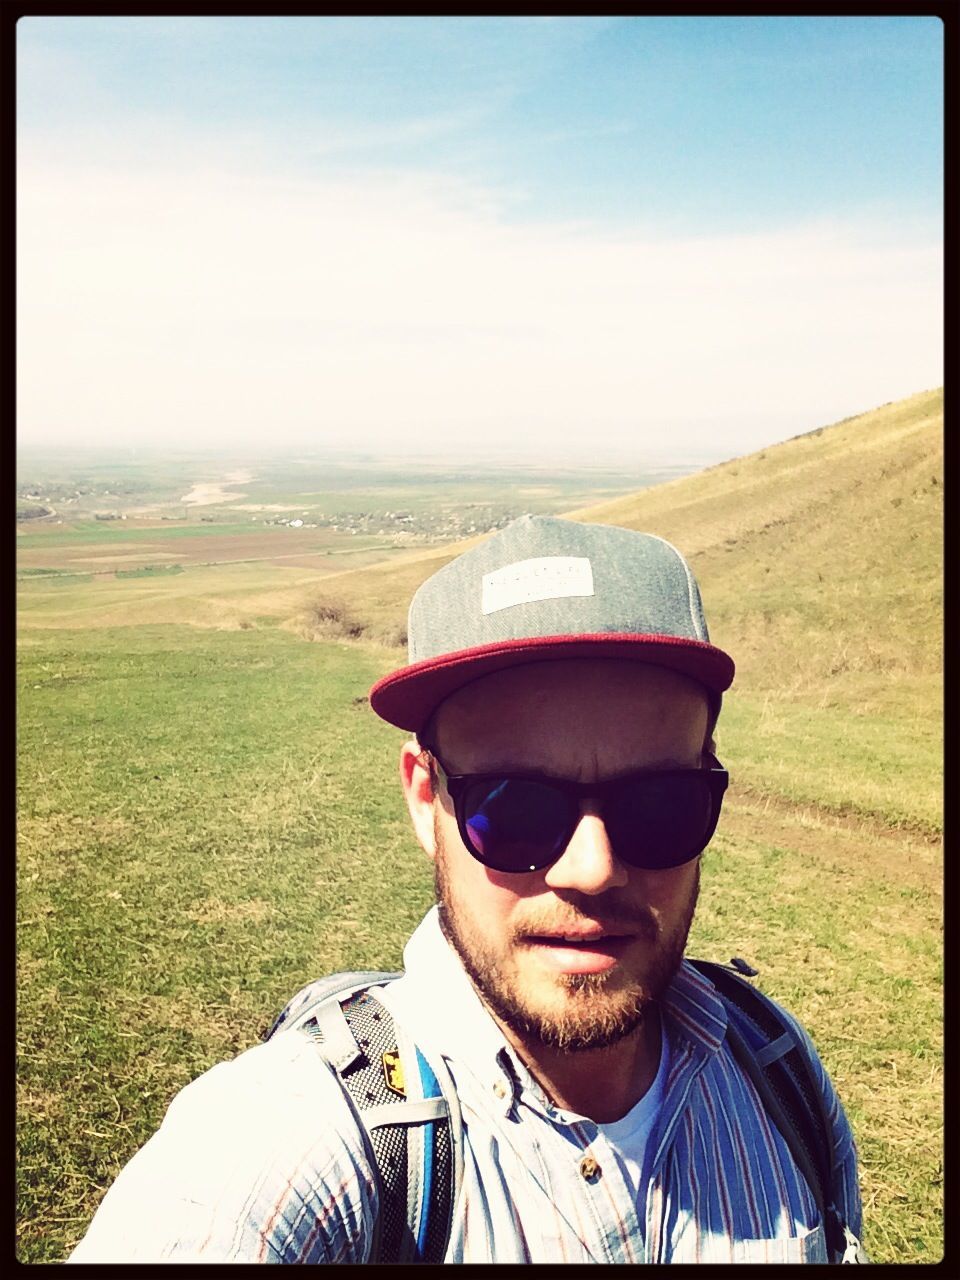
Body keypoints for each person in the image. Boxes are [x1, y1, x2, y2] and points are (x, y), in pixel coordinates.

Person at [68, 514, 865, 1264]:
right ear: (427, 799)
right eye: (514, 809)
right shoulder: (286, 1141)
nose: (590, 868)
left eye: (660, 804)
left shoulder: (777, 1071)